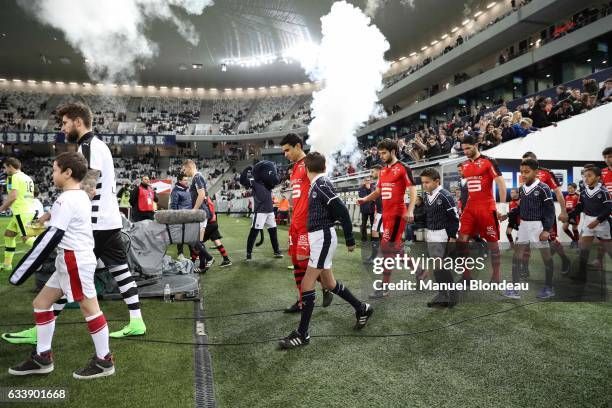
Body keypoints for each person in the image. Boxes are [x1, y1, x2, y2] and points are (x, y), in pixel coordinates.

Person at [3, 103, 147, 344]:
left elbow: (88, 186)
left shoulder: (88, 145)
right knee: (120, 271)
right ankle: (136, 321)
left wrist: (60, 212)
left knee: (65, 271)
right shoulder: (98, 145)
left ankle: (42, 328)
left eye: (65, 123)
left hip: (95, 224)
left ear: (78, 121)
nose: (63, 127)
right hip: (110, 221)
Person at [8, 152, 114, 378]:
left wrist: (21, 271)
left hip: (74, 259)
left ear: (67, 173)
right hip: (69, 258)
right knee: (42, 303)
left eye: (55, 170)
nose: (52, 174)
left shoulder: (66, 199)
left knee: (90, 308)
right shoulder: (77, 196)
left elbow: (53, 236)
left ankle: (105, 361)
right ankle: (42, 357)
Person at [278, 152, 373, 349]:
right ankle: (361, 308)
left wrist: (349, 239)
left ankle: (302, 334)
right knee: (329, 283)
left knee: (306, 284)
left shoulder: (321, 184)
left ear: (306, 169)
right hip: (320, 238)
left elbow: (341, 210)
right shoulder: (318, 184)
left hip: (323, 238)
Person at [358, 138, 417, 299]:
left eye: (384, 153)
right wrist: (365, 199)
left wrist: (410, 210)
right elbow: (378, 192)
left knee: (386, 249)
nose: (381, 156)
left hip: (398, 215)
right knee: (395, 249)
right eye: (380, 153)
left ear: (393, 151)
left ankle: (384, 288)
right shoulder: (383, 171)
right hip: (387, 215)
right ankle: (421, 272)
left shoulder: (403, 168)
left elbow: (413, 190)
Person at [281, 134, 333, 313]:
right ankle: (302, 301)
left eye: (287, 150)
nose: (285, 154)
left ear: (298, 146)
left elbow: (321, 187)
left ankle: (327, 285)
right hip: (295, 222)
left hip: (307, 223)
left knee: (304, 263)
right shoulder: (294, 168)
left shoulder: (309, 164)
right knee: (296, 262)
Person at [503, 159, 556, 300]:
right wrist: (507, 215)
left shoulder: (543, 188)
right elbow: (521, 208)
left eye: (527, 172)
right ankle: (514, 288)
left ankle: (549, 287)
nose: (524, 174)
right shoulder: (522, 188)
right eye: (522, 172)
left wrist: (546, 229)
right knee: (517, 256)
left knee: (546, 257)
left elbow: (550, 211)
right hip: (524, 226)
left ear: (536, 172)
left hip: (538, 226)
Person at [457, 135, 507, 283]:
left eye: (468, 148)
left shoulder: (488, 161)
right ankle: (466, 276)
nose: (465, 151)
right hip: (470, 209)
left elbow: (501, 185)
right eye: (463, 149)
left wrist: (502, 208)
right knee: (461, 240)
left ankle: (496, 275)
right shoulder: (465, 165)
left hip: (486, 207)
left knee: (492, 243)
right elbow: (468, 190)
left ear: (476, 145)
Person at [521, 152, 570, 274]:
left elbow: (558, 193)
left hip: (545, 216)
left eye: (528, 162)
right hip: (529, 216)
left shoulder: (546, 173)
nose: (525, 166)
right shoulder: (523, 174)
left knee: (552, 240)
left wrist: (563, 211)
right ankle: (525, 269)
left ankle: (565, 259)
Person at [420, 168, 459, 307]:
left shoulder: (445, 196)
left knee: (440, 266)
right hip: (431, 233)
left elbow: (455, 217)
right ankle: (443, 294)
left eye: (427, 182)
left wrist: (453, 237)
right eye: (423, 182)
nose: (425, 185)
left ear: (437, 181)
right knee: (437, 266)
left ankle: (451, 295)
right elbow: (427, 214)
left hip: (442, 234)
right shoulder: (426, 195)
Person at [567, 166, 611, 283]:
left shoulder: (604, 191)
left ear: (598, 177)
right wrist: (568, 215)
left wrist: (597, 221)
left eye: (589, 176)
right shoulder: (583, 192)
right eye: (585, 176)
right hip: (588, 223)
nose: (586, 178)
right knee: (583, 249)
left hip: (601, 223)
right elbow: (579, 208)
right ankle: (582, 276)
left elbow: (608, 209)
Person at [239, 161, 283, 260]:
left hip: (270, 211)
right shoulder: (254, 182)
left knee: (273, 232)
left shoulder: (269, 182)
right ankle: (248, 253)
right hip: (260, 212)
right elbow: (242, 181)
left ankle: (276, 251)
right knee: (254, 232)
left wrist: (277, 172)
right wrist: (246, 170)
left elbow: (277, 180)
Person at [0, 158, 35, 271]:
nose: (5, 170)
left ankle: (52, 251)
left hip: (21, 211)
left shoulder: (15, 177)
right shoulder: (27, 177)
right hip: (26, 210)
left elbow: (13, 196)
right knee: (9, 234)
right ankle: (7, 265)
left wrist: (1, 209)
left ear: (10, 166)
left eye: (5, 167)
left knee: (26, 238)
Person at [182, 159, 215, 274]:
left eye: (185, 169)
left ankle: (209, 258)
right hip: (202, 212)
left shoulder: (197, 177)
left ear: (190, 167)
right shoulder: (198, 177)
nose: (184, 172)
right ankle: (202, 266)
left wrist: (194, 210)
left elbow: (201, 195)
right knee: (199, 241)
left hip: (200, 213)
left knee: (195, 240)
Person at [202, 196, 232, 267]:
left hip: (209, 223)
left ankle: (206, 259)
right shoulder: (208, 197)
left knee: (198, 242)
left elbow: (207, 213)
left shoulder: (202, 198)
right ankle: (226, 259)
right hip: (214, 222)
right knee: (216, 241)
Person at [170, 173, 193, 257]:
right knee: (181, 236)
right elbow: (173, 205)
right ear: (179, 181)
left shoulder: (187, 189)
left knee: (190, 236)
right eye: (185, 180)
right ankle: (180, 253)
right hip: (180, 217)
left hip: (189, 216)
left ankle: (193, 253)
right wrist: (176, 217)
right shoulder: (175, 191)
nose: (187, 182)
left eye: (187, 180)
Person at [366, 164, 384, 263]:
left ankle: (375, 257)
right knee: (378, 232)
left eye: (373, 171)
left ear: (378, 171)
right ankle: (377, 256)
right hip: (380, 211)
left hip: (383, 212)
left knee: (376, 232)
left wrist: (365, 199)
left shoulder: (382, 181)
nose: (371, 174)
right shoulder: (378, 182)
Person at [563, 183, 580, 248]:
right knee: (564, 228)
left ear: (575, 188)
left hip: (575, 215)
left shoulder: (578, 196)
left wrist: (572, 213)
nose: (569, 190)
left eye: (571, 188)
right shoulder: (566, 197)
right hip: (567, 215)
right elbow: (564, 206)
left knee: (574, 228)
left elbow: (578, 207)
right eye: (568, 188)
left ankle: (576, 243)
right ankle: (574, 240)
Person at [358, 177, 375, 242]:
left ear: (371, 181)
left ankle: (373, 238)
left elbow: (375, 197)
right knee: (364, 224)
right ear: (364, 181)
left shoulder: (374, 188)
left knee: (373, 224)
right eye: (366, 180)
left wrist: (370, 189)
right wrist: (370, 197)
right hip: (364, 209)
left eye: (369, 180)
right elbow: (363, 197)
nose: (368, 181)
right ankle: (364, 238)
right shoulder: (360, 188)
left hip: (372, 209)